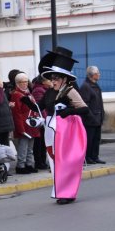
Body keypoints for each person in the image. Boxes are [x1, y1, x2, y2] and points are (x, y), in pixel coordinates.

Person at [39, 47, 88, 205]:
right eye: (52, 78)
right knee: (56, 162)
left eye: (57, 78)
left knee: (67, 162)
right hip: (53, 130)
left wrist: (69, 110)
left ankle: (68, 193)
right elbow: (42, 107)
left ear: (65, 79)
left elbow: (85, 109)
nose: (53, 81)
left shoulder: (70, 91)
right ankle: (62, 191)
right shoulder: (50, 92)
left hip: (68, 131)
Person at [10, 73, 40, 174]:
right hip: (23, 124)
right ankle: (21, 166)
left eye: (26, 81)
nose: (25, 84)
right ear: (17, 83)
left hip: (31, 124)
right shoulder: (16, 95)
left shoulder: (29, 94)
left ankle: (29, 164)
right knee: (23, 147)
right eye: (22, 82)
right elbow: (17, 113)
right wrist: (20, 128)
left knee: (30, 147)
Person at [79, 66, 106, 164]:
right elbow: (85, 104)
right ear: (92, 75)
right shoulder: (85, 86)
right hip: (90, 119)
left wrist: (102, 115)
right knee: (89, 139)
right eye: (97, 73)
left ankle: (95, 156)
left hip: (98, 118)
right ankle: (88, 157)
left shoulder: (95, 85)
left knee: (96, 139)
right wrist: (92, 117)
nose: (99, 75)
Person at [31, 75, 51, 170]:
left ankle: (43, 161)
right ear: (43, 81)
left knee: (44, 142)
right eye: (48, 79)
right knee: (39, 143)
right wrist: (45, 119)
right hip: (41, 120)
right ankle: (39, 162)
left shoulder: (45, 89)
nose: (51, 81)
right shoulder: (39, 90)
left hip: (45, 119)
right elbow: (40, 108)